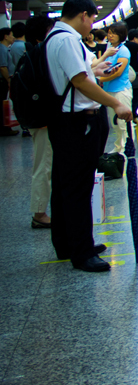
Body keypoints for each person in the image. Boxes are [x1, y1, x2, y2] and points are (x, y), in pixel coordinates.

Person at [47, 0, 132, 272]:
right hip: (76, 124)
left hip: (67, 122)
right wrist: (115, 102)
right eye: (93, 19)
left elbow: (80, 75)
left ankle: (68, 243)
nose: (93, 25)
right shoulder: (67, 40)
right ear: (83, 15)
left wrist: (94, 69)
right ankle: (81, 252)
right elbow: (79, 81)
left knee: (64, 186)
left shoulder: (57, 37)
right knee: (77, 188)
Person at [22, 15, 56, 228]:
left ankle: (41, 210)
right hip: (41, 120)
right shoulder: (39, 54)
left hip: (35, 118)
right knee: (43, 165)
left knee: (44, 165)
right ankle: (39, 213)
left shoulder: (29, 54)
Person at [98, 22, 131, 157]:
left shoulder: (123, 50)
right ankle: (119, 147)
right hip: (110, 91)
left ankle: (126, 148)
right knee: (115, 123)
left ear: (121, 35)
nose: (110, 36)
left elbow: (117, 72)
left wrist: (100, 80)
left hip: (120, 90)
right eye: (109, 33)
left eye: (113, 33)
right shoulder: (112, 49)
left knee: (123, 123)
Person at [8, 23, 30, 136]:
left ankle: (22, 124)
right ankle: (26, 126)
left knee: (17, 102)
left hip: (14, 78)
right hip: (24, 78)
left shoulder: (10, 47)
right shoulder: (25, 46)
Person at [0, 27, 16, 137]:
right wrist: (8, 80)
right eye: (11, 35)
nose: (13, 37)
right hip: (2, 81)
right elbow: (2, 67)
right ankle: (4, 128)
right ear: (5, 36)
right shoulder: (1, 49)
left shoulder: (5, 48)